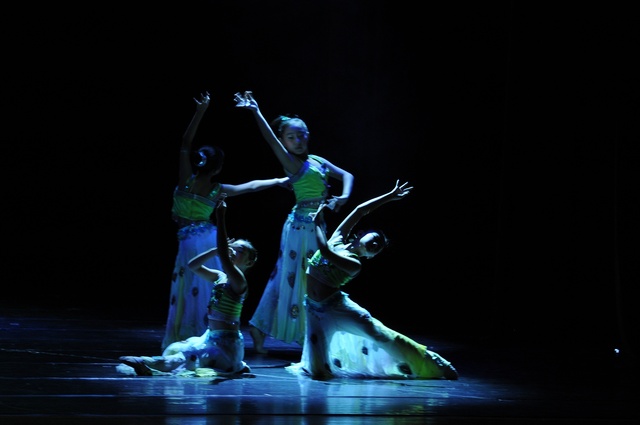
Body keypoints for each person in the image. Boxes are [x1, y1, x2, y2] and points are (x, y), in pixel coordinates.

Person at [286, 180, 459, 380]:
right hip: (314, 309)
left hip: (337, 308)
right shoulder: (337, 238)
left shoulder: (354, 264)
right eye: (375, 239)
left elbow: (324, 251)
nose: (376, 244)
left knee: (380, 334)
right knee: (317, 371)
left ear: (370, 256)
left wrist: (317, 223)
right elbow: (360, 210)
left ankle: (435, 363)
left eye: (378, 248)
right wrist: (389, 196)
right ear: (361, 234)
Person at [162, 91, 289, 351]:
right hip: (202, 239)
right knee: (200, 288)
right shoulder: (215, 189)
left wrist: (200, 111)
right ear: (218, 168)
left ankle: (194, 338)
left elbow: (185, 143)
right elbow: (250, 186)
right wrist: (278, 180)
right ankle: (199, 337)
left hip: (192, 241)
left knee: (192, 288)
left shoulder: (187, 179)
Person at [234, 91, 355, 353]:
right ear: (283, 141)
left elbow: (347, 175)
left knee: (303, 277)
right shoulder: (292, 164)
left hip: (315, 225)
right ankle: (284, 330)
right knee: (299, 278)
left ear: (308, 135)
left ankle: (277, 329)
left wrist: (344, 197)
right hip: (300, 227)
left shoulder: (318, 161)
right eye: (291, 137)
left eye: (301, 135)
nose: (297, 141)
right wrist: (256, 111)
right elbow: (269, 138)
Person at [118, 197, 257, 377]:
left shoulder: (239, 280)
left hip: (225, 345)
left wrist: (221, 216)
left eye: (240, 251)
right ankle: (146, 362)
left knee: (188, 360)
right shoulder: (220, 276)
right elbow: (193, 265)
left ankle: (148, 363)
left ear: (249, 262)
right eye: (232, 247)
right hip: (210, 338)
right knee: (181, 357)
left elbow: (223, 256)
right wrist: (214, 251)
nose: (233, 251)